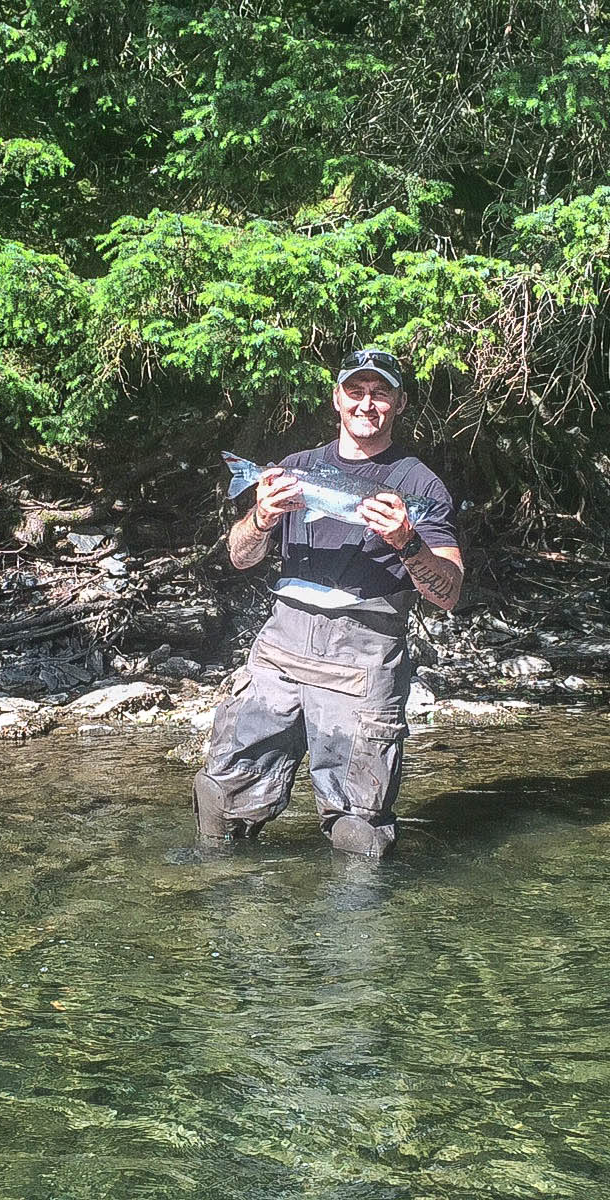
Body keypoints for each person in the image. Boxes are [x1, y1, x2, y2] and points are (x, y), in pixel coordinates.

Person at [194, 347, 463, 856]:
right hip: (280, 647)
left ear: (399, 404)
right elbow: (239, 557)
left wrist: (408, 541)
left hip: (363, 656)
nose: (367, 404)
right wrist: (261, 518)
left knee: (358, 822)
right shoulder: (296, 468)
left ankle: (354, 928)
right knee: (222, 792)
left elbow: (447, 593)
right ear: (337, 398)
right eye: (356, 391)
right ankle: (220, 900)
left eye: (380, 393)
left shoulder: (420, 485)